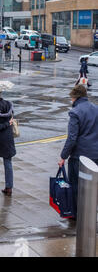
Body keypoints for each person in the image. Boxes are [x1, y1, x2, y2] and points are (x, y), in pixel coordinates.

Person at [58, 85, 98, 220]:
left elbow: (72, 138)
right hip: (95, 155)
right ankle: (91, 211)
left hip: (79, 156)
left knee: (76, 185)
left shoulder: (75, 112)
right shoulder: (96, 109)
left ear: (75, 97)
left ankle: (76, 214)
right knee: (93, 185)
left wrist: (63, 156)